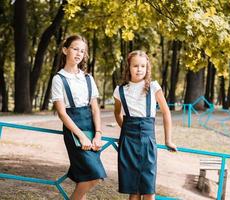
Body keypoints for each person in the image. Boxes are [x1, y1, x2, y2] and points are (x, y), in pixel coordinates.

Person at [113, 50, 177, 200]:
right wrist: (126, 129)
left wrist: (168, 140)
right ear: (128, 67)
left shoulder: (154, 87)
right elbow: (117, 113)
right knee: (133, 190)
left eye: (143, 66)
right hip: (128, 142)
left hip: (148, 140)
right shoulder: (120, 90)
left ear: (147, 68)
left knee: (148, 190)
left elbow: (166, 113)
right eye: (135, 66)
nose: (139, 69)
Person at [51, 35, 106, 199]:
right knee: (95, 176)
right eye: (75, 49)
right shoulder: (59, 79)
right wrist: (81, 136)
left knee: (85, 177)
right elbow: (62, 113)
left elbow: (95, 109)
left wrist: (98, 134)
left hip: (91, 129)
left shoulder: (88, 78)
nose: (79, 53)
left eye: (82, 51)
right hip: (74, 130)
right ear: (65, 50)